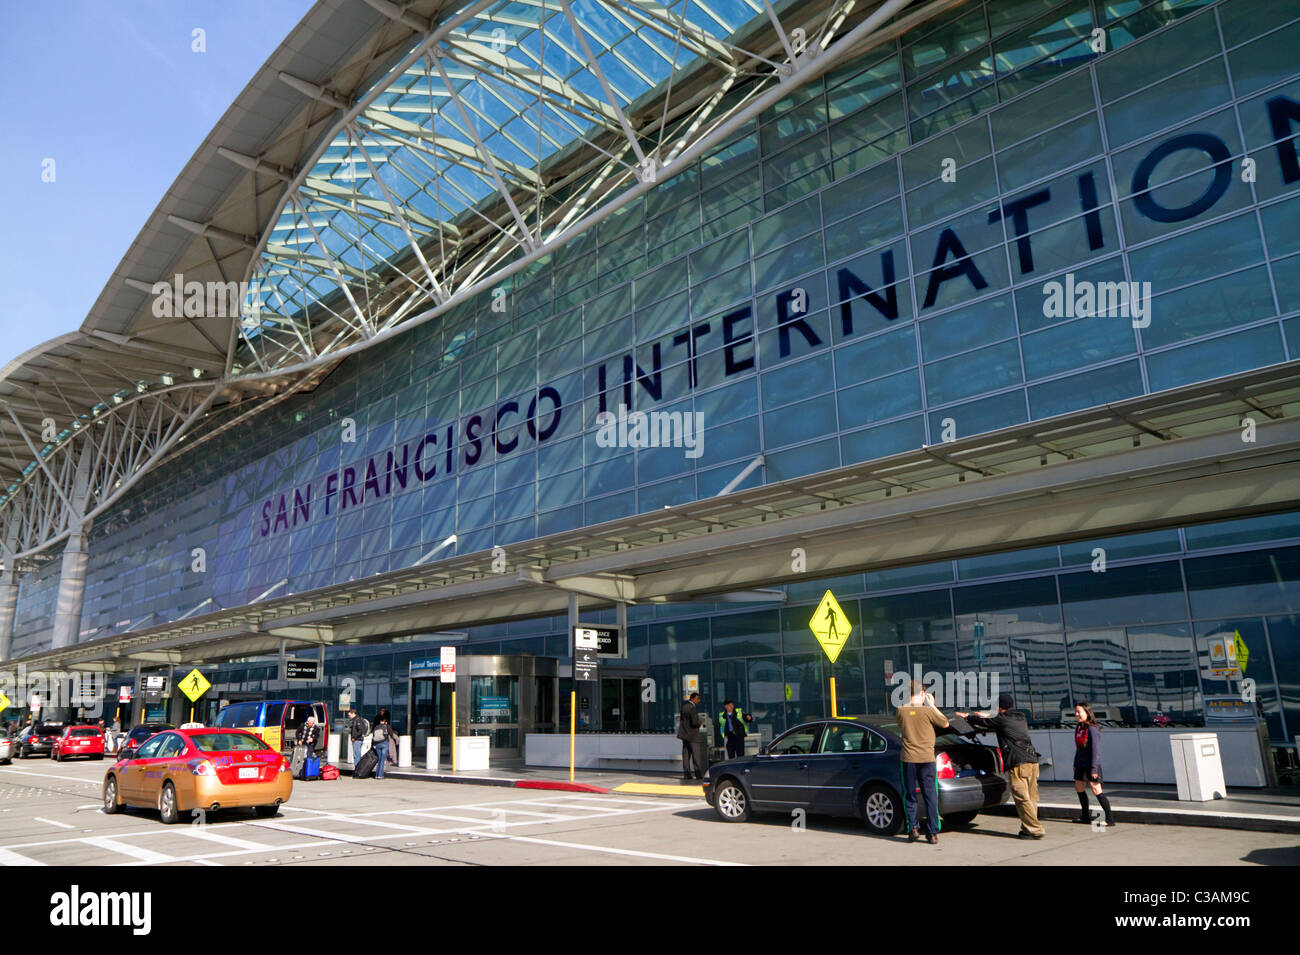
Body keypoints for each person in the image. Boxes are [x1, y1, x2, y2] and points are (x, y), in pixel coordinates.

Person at [957, 693, 1043, 839]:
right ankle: (1027, 828)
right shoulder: (1020, 716)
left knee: (1022, 798)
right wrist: (985, 714)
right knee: (1031, 797)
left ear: (999, 707)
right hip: (1032, 761)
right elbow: (995, 718)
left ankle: (1035, 830)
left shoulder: (1001, 720)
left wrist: (967, 716)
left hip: (1019, 763)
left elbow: (985, 722)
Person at [896, 680, 949, 844]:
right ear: (923, 694)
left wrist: (909, 699)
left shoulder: (901, 711)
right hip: (927, 758)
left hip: (908, 759)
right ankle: (932, 833)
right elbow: (945, 723)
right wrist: (932, 705)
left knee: (910, 795)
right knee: (930, 795)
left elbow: (901, 721)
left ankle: (913, 828)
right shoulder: (928, 711)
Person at [1074, 702, 1115, 827]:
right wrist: (1075, 763)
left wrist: (1094, 769)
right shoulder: (1079, 727)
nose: (1077, 714)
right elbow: (1078, 748)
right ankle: (1085, 816)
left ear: (1087, 713)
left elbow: (1095, 750)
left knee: (1096, 790)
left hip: (1091, 765)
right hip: (1080, 763)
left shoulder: (1092, 729)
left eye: (1079, 712)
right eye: (1076, 712)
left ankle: (1109, 819)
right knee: (1079, 788)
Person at [676, 692, 707, 781]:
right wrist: (700, 723)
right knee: (696, 755)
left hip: (684, 735)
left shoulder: (684, 707)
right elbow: (694, 722)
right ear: (692, 699)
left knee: (686, 755)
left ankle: (687, 774)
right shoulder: (692, 708)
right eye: (697, 699)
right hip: (693, 735)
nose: (699, 701)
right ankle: (698, 774)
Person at [371, 710, 393, 779]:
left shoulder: (376, 727)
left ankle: (377, 775)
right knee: (382, 761)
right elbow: (391, 734)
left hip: (377, 745)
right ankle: (380, 775)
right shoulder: (387, 726)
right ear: (385, 721)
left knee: (379, 760)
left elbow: (373, 736)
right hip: (384, 744)